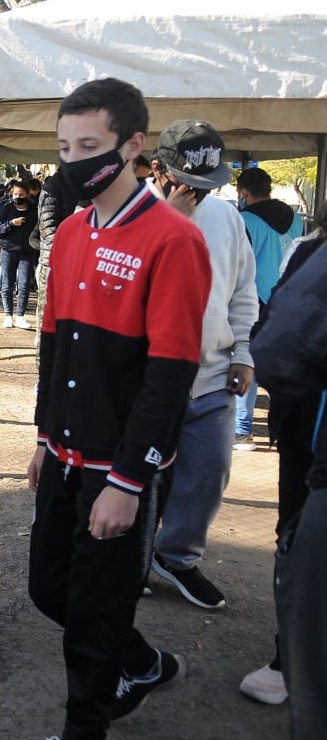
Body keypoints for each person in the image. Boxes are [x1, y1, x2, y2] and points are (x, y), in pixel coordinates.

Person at [22, 78, 211, 740]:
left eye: (90, 147)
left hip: (115, 468)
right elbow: (52, 344)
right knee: (49, 589)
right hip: (64, 454)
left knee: (93, 618)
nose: (73, 161)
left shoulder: (175, 239)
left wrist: (130, 479)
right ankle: (140, 661)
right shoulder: (69, 231)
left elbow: (170, 374)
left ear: (135, 146)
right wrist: (44, 436)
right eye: (65, 147)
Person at [144, 120, 258, 610]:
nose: (199, 194)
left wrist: (245, 350)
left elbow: (242, 290)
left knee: (211, 470)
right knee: (140, 478)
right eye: (190, 183)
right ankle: (130, 560)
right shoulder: (131, 215)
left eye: (209, 185)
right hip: (146, 377)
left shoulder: (227, 219)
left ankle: (176, 557)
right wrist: (170, 221)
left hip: (210, 374)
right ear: (157, 170)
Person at [249, 236, 327, 740]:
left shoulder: (313, 253)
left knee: (298, 545)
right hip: (308, 440)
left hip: (313, 444)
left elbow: (274, 348)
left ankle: (287, 662)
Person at [234, 167, 306, 450]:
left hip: (254, 300)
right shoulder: (297, 218)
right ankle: (282, 428)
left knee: (246, 359)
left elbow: (239, 263)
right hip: (288, 298)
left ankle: (242, 430)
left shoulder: (244, 220)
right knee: (280, 363)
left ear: (244, 192)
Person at [32, 171, 78, 336]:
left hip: (82, 265)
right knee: (47, 322)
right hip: (54, 263)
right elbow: (47, 227)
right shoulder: (53, 186)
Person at [0, 181, 39, 328]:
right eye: (16, 194)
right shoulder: (6, 208)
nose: (18, 197)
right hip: (8, 250)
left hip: (27, 251)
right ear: (12, 194)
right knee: (7, 283)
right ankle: (8, 315)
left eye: (21, 194)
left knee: (24, 284)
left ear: (27, 194)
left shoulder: (33, 210)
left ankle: (21, 316)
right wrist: (11, 223)